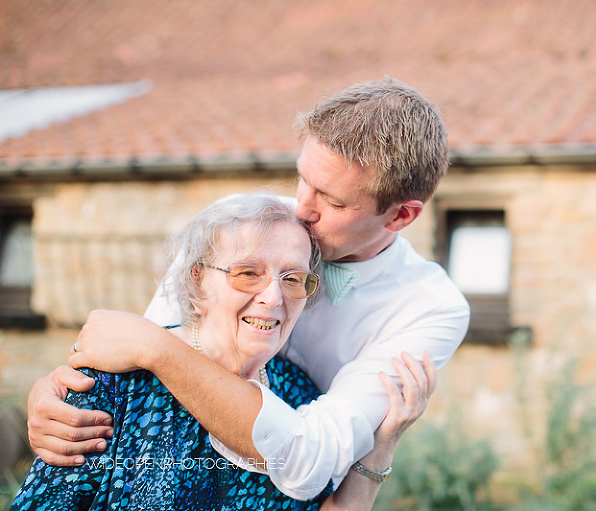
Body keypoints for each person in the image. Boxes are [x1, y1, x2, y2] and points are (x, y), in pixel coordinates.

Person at [26, 77, 470, 499]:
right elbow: (137, 375)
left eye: (333, 201)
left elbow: (307, 459)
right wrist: (60, 394)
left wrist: (155, 348)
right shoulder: (240, 223)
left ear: (401, 216)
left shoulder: (431, 308)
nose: (301, 208)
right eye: (303, 180)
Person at [12, 192, 434, 511]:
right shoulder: (116, 382)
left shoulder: (299, 393)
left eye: (293, 279)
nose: (273, 297)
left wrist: (382, 442)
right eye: (248, 273)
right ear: (198, 280)